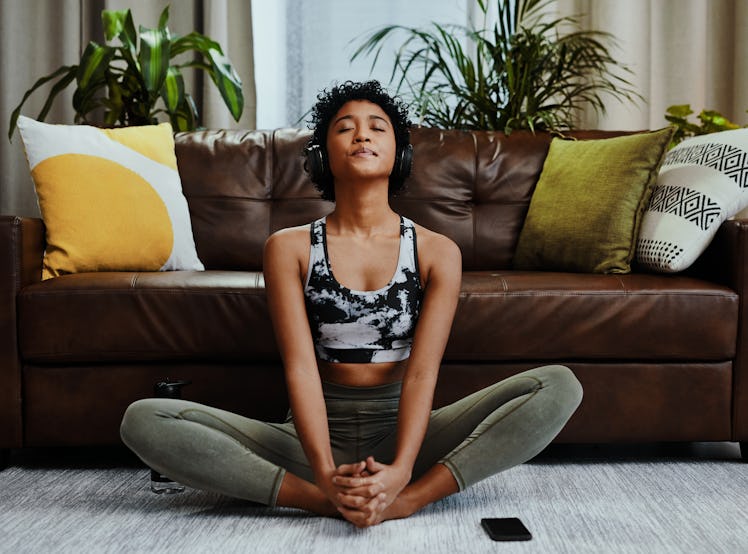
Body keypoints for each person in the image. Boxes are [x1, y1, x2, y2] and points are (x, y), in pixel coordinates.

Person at [120, 80, 583, 528]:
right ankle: (320, 501)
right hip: (312, 436)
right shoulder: (289, 247)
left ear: (399, 153)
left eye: (377, 127)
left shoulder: (438, 251)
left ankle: (405, 500)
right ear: (323, 155)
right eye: (344, 127)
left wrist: (403, 470)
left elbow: (422, 371)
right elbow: (300, 367)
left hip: (403, 429)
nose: (361, 133)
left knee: (559, 385)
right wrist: (323, 472)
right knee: (144, 419)